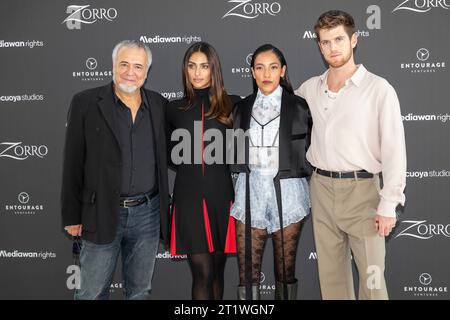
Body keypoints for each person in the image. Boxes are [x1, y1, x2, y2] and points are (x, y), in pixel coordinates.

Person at [296, 10, 407, 300]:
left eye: (338, 39)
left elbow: (395, 149)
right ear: (318, 45)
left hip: (364, 195)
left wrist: (389, 204)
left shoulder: (379, 89)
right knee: (332, 282)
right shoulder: (310, 89)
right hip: (321, 190)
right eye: (325, 42)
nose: (332, 47)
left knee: (372, 283)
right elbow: (279, 115)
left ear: (354, 40)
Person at [61, 40, 170, 300]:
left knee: (140, 292)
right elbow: (73, 161)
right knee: (91, 292)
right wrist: (71, 216)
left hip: (148, 214)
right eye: (124, 64)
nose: (130, 72)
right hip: (100, 211)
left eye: (137, 66)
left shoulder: (159, 105)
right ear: (113, 66)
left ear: (146, 72)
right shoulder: (85, 102)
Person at [231, 44, 312, 300]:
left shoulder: (300, 106)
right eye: (259, 67)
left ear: (283, 70)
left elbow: (311, 149)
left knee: (285, 271)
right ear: (253, 73)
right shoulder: (241, 108)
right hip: (249, 192)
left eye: (273, 67)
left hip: (287, 194)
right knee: (246, 273)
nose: (266, 73)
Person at [166, 42, 239, 300]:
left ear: (214, 69)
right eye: (191, 66)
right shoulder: (172, 109)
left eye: (204, 66)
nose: (197, 72)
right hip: (189, 199)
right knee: (202, 273)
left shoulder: (234, 105)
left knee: (218, 272)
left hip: (223, 198)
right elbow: (169, 155)